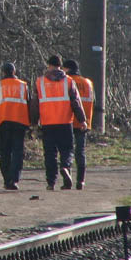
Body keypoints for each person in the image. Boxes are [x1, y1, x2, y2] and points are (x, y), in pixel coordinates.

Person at [33, 54, 86, 190]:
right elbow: (76, 102)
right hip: (64, 121)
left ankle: (51, 182)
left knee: (50, 153)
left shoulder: (40, 82)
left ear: (48, 65)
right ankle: (65, 167)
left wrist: (33, 121)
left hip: (47, 122)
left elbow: (35, 103)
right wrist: (82, 120)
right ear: (60, 66)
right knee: (67, 150)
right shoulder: (68, 81)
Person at [0, 62, 33, 190]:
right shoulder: (23, 86)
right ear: (15, 71)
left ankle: (7, 179)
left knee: (5, 152)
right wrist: (31, 125)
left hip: (3, 123)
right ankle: (14, 178)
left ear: (3, 72)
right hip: (20, 122)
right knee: (17, 152)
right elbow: (29, 105)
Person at [63, 58, 95, 190]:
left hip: (69, 120)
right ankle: (80, 180)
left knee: (67, 150)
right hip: (85, 122)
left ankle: (67, 176)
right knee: (80, 152)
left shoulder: (67, 82)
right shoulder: (88, 83)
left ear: (68, 69)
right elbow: (94, 101)